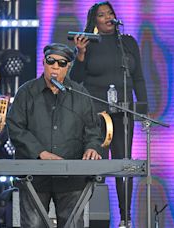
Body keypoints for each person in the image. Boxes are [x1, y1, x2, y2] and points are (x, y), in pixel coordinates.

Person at [6, 43, 103, 228]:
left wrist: (92, 147)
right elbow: (15, 127)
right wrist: (40, 152)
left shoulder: (80, 94)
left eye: (61, 63)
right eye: (51, 62)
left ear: (69, 67)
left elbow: (93, 130)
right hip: (34, 177)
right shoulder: (27, 92)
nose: (55, 68)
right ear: (43, 62)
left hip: (71, 179)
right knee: (33, 225)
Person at [69, 2, 148, 227]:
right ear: (94, 21)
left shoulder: (128, 43)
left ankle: (125, 219)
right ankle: (93, 218)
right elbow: (75, 80)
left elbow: (139, 77)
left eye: (110, 13)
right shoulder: (88, 43)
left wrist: (142, 108)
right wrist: (81, 54)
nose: (107, 18)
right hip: (97, 114)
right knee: (97, 166)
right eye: (101, 15)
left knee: (125, 164)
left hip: (123, 114)